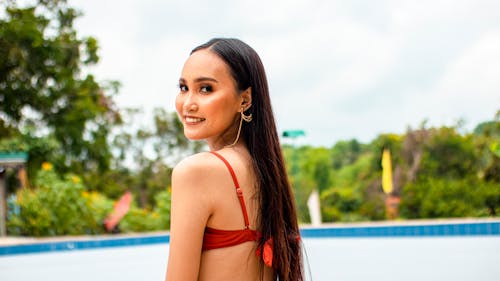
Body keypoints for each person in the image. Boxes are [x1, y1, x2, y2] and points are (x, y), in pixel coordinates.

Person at [165, 38, 304, 281]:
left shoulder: (196, 172)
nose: (188, 103)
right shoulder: (267, 171)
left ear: (245, 100)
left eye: (206, 88)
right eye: (183, 88)